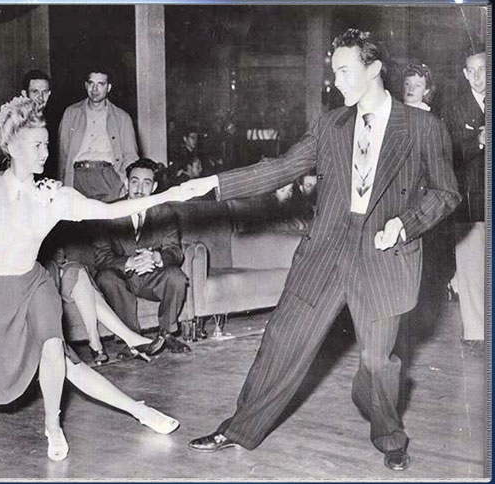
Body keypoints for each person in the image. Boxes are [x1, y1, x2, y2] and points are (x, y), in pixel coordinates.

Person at [184, 28, 460, 471]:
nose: (337, 83)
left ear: (374, 69)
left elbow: (447, 193)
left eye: (345, 72)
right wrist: (212, 185)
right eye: (334, 73)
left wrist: (405, 224)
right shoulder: (329, 125)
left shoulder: (423, 127)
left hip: (384, 252)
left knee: (377, 359)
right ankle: (239, 428)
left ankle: (390, 435)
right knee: (281, 340)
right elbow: (280, 169)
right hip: (327, 248)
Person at [0, 90, 193, 461]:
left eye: (47, 144)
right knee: (70, 369)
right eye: (37, 145)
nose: (45, 153)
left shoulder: (52, 195)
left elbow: (106, 211)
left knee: (51, 346)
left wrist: (167, 196)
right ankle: (138, 410)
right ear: (11, 145)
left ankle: (53, 425)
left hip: (36, 284)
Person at [94, 159, 191, 354]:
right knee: (106, 277)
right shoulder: (107, 212)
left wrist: (156, 257)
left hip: (151, 276)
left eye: (146, 183)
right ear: (126, 182)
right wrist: (128, 262)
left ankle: (167, 334)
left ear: (154, 187)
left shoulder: (166, 213)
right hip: (123, 277)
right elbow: (101, 257)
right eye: (135, 181)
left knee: (177, 277)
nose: (139, 188)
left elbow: (175, 251)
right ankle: (132, 340)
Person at [442, 43, 486, 356]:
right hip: (471, 198)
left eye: (483, 68)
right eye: (471, 70)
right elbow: (450, 154)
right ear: (464, 73)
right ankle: (475, 331)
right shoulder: (455, 108)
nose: (477, 76)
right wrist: (479, 141)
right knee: (471, 268)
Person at [45, 250, 166, 364]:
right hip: (41, 274)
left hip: (64, 270)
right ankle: (129, 339)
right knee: (76, 274)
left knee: (77, 270)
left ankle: (96, 342)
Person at [58, 67, 139, 202]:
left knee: (107, 222)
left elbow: (131, 156)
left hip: (108, 178)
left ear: (109, 87)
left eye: (100, 84)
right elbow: (62, 155)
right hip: (77, 178)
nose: (95, 89)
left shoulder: (122, 117)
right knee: (78, 222)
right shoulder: (71, 113)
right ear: (86, 85)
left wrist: (124, 181)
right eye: (91, 83)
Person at [0, 69, 59, 176]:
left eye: (44, 92)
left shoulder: (51, 120)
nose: (40, 97)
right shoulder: (9, 117)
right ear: (24, 93)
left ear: (49, 94)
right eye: (35, 91)